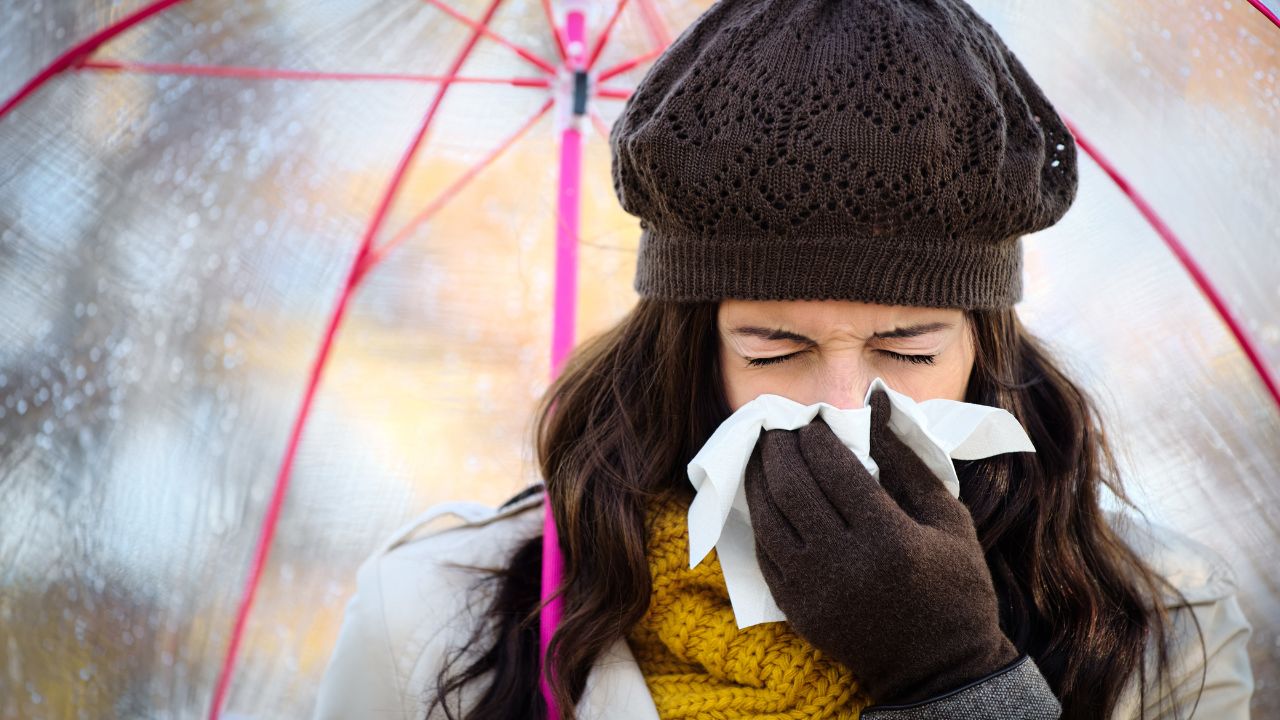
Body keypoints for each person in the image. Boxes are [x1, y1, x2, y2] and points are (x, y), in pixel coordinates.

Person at [312, 0, 1255, 718]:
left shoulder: (1165, 627)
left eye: (908, 348)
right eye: (775, 347)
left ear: (985, 346)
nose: (843, 406)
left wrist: (960, 679)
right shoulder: (437, 619)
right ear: (689, 348)